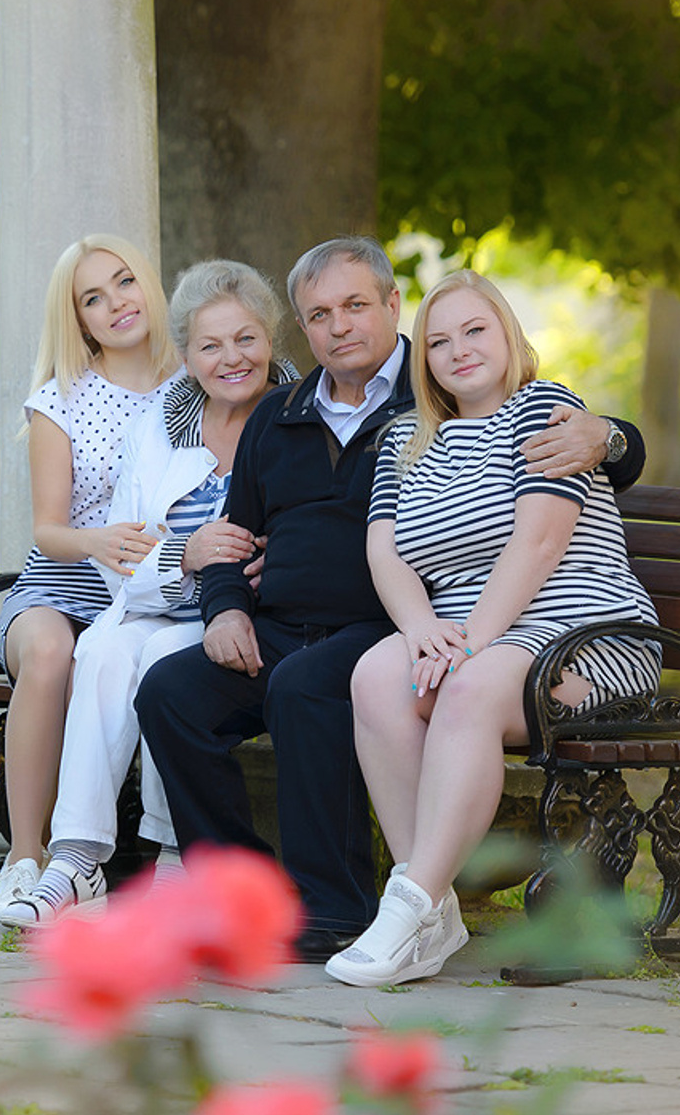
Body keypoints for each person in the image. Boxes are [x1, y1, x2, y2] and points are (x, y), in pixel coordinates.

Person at [135, 236, 644, 962]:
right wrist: (224, 609)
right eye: (319, 314)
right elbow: (235, 533)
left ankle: (339, 907)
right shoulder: (288, 418)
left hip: (385, 626)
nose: (339, 326)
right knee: (169, 692)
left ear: (390, 306)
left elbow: (579, 450)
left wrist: (615, 438)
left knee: (308, 687)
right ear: (302, 330)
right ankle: (239, 894)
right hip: (298, 622)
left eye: (354, 306)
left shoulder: (436, 394)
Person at [325, 270, 659, 986]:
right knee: (377, 675)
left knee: (468, 688)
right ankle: (434, 913)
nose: (458, 350)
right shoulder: (405, 439)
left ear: (508, 333)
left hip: (585, 637)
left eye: (475, 330)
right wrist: (419, 628)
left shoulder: (547, 411)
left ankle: (407, 900)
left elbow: (537, 544)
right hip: (480, 639)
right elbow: (383, 548)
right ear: (425, 361)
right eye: (440, 341)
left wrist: (469, 644)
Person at [0, 260, 299, 925]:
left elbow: (307, 538)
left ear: (272, 338)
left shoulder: (297, 415)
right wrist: (183, 555)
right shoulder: (162, 418)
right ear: (187, 355)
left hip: (249, 616)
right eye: (211, 346)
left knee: (165, 663)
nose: (231, 359)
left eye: (246, 339)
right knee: (103, 651)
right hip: (157, 599)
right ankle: (75, 861)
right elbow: (122, 551)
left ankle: (171, 858)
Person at [0, 234, 182, 917]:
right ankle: (24, 856)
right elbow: (46, 530)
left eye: (124, 283)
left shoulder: (195, 382)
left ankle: (161, 858)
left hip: (154, 589)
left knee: (158, 656)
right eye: (92, 299)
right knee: (49, 651)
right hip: (63, 580)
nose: (116, 304)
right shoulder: (61, 399)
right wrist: (99, 539)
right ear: (78, 320)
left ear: (148, 285)